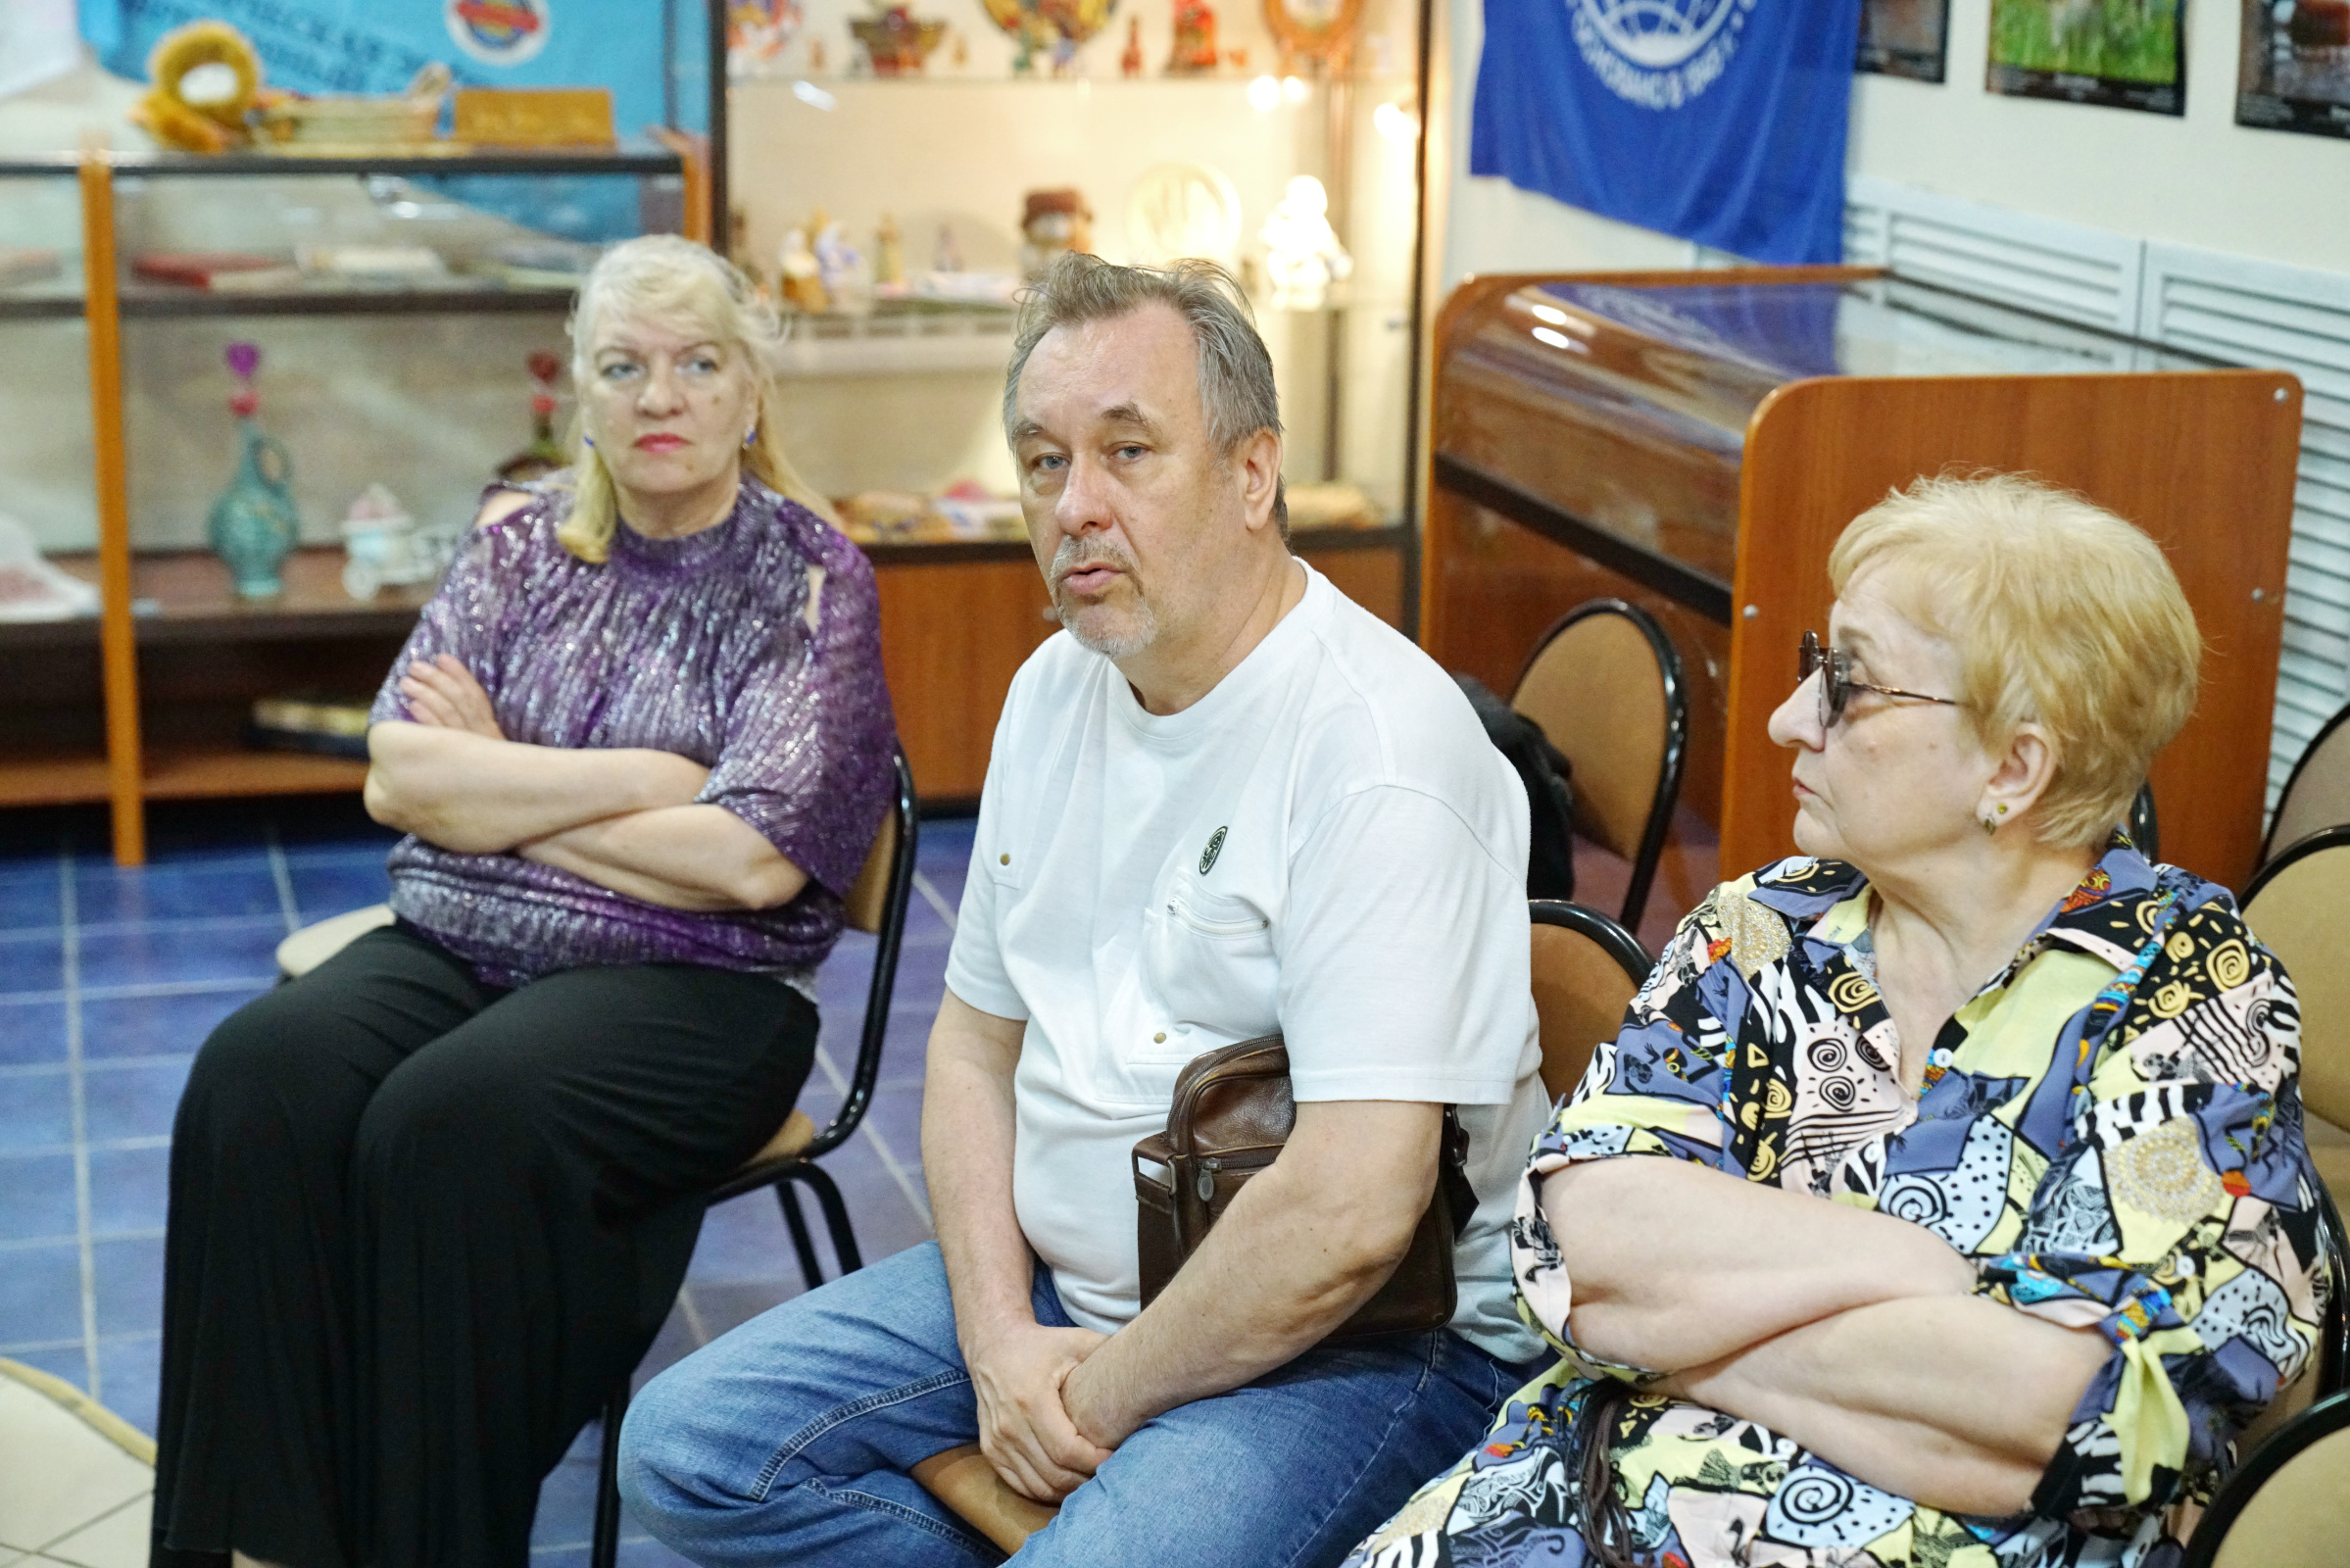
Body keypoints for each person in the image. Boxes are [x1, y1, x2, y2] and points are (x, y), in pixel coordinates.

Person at [618, 254, 1555, 1565]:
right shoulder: (1053, 687)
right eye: (1044, 462)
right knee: (688, 1450)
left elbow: (1349, 1215)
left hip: (1360, 1338)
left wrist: (1088, 1401)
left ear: (1252, 473)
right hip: (1074, 1289)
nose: (1076, 507)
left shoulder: (1377, 751)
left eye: (1128, 452)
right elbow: (970, 1047)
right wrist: (1000, 1342)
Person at [1343, 473, 2323, 1568]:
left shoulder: (2187, 995)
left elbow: (2086, 1422)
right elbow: (1575, 1252)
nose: (1788, 717)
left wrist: (1673, 1346)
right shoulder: (1762, 925)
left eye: (1848, 681)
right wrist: (1924, 1267)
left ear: (2012, 767)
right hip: (1569, 1513)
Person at [150, 235, 897, 1568]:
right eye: (623, 366)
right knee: (255, 1077)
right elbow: (397, 774)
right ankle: (263, 1545)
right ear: (581, 395)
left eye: (696, 364)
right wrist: (646, 782)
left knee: (445, 1124)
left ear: (749, 389)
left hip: (705, 989)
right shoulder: (518, 543)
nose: (659, 397)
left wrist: (500, 787)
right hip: (463, 940)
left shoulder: (807, 578)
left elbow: (751, 865)